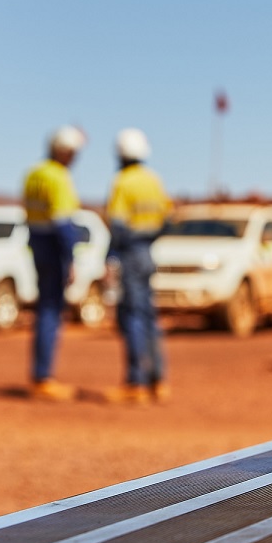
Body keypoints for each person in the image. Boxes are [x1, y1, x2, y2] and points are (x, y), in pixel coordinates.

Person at [103, 128, 173, 405]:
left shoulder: (122, 182)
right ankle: (158, 380)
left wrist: (112, 254)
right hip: (148, 253)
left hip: (131, 254)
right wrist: (148, 238)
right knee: (148, 315)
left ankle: (136, 382)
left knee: (131, 316)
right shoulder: (153, 181)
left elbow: (118, 227)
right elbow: (167, 220)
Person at [23, 125, 86, 402]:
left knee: (43, 310)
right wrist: (70, 260)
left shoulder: (33, 174)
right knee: (51, 310)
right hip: (53, 248)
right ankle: (44, 377)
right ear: (64, 151)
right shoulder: (58, 177)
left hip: (37, 245)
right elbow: (63, 225)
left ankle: (40, 374)